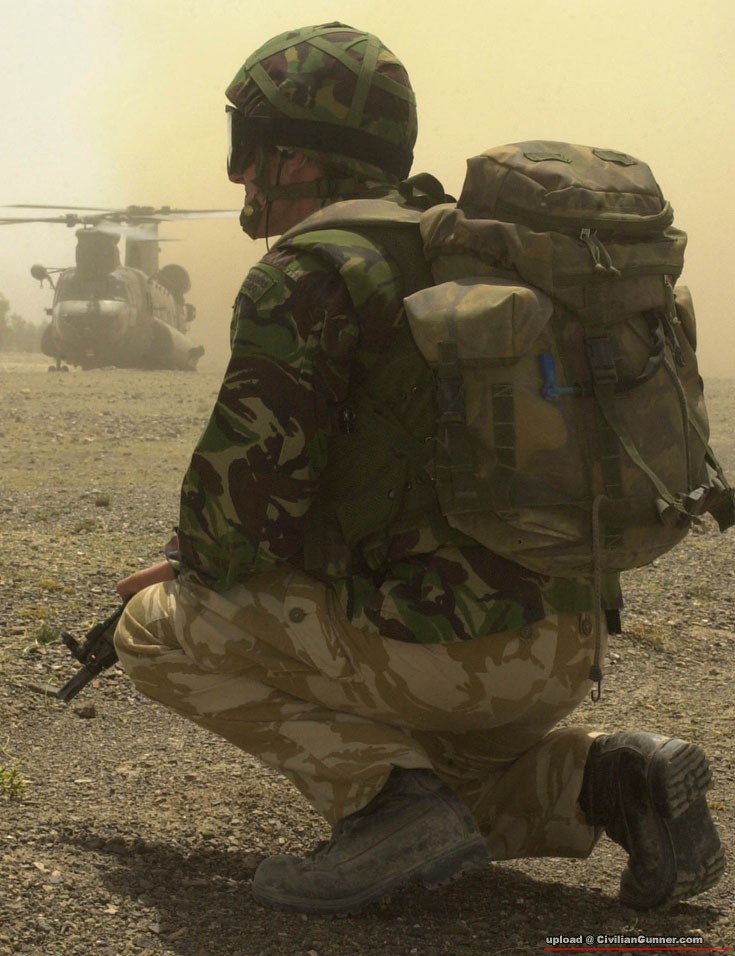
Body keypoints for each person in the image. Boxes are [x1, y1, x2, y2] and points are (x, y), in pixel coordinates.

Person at [113, 22, 725, 915]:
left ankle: (378, 802)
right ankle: (609, 780)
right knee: (454, 790)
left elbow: (235, 521)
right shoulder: (462, 248)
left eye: (249, 149)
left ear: (293, 155)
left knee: (152, 629)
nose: (240, 176)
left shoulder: (313, 270)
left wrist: (184, 567)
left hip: (440, 651)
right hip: (563, 645)